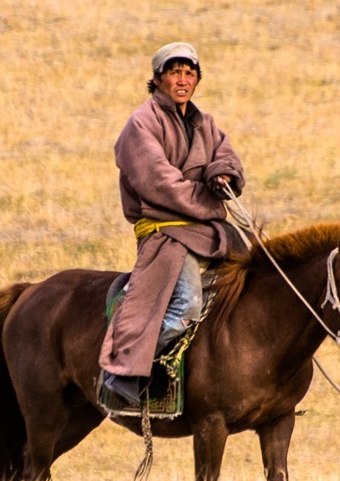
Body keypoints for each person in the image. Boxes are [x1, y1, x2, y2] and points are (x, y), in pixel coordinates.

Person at [98, 42, 245, 407]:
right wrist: (208, 200)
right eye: (174, 72)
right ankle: (129, 371)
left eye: (189, 73)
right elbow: (161, 184)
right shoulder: (141, 124)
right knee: (188, 306)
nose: (182, 79)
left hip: (210, 233)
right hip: (167, 236)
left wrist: (221, 174)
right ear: (158, 78)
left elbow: (225, 156)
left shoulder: (204, 123)